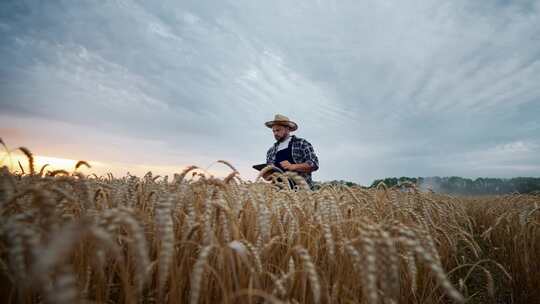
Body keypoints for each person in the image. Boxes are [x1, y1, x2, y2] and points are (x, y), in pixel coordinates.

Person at [263, 114, 319, 189]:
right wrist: (266, 175)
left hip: (301, 192)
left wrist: (293, 166)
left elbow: (314, 164)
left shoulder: (301, 143)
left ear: (287, 129)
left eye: (278, 130)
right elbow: (269, 177)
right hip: (278, 195)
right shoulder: (271, 151)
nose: (275, 133)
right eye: (273, 131)